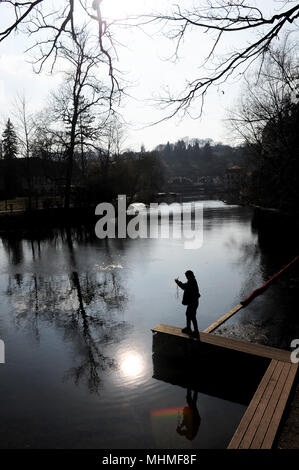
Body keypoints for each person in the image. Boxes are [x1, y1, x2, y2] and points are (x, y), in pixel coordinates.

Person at [175, 270, 200, 338]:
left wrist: (177, 282)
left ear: (189, 276)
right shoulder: (192, 280)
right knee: (188, 314)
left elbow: (184, 286)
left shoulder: (192, 281)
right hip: (192, 302)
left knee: (192, 316)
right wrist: (178, 282)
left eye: (187, 276)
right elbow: (185, 286)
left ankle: (196, 331)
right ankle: (189, 328)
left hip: (193, 302)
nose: (186, 277)